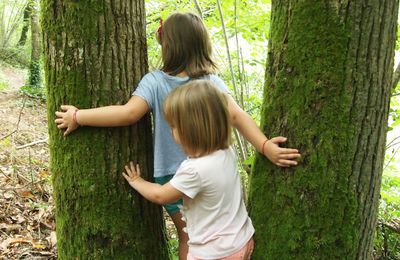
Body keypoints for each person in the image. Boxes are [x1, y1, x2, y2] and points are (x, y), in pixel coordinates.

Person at [55, 12, 300, 259]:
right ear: (201, 45)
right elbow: (237, 116)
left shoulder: (155, 81)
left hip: (172, 173)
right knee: (212, 227)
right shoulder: (210, 83)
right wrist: (265, 145)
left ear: (167, 46)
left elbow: (128, 113)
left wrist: (78, 116)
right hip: (214, 170)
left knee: (188, 234)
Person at [123, 80, 255, 259]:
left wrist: (137, 182)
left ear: (190, 130)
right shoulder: (226, 151)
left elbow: (161, 195)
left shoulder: (194, 170)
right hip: (242, 241)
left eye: (174, 126)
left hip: (213, 253)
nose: (171, 131)